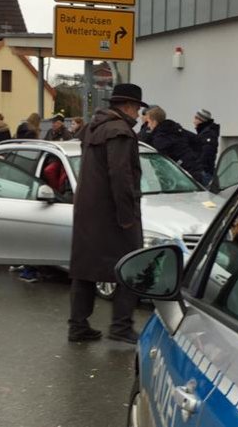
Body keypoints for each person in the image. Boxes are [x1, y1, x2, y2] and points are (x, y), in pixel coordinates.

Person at [69, 83, 147, 344]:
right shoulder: (119, 131)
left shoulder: (93, 128)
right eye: (137, 109)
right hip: (113, 214)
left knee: (85, 269)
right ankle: (121, 326)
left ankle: (78, 326)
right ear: (128, 107)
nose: (138, 116)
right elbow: (121, 176)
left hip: (87, 212)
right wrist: (128, 217)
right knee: (130, 266)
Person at [146, 106, 205, 183]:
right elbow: (197, 140)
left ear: (154, 122)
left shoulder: (160, 137)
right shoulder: (175, 128)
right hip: (194, 170)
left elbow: (161, 164)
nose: (148, 126)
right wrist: (194, 158)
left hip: (183, 176)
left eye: (148, 122)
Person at [193, 109, 220, 185]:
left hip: (204, 173)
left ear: (201, 120)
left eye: (196, 118)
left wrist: (198, 168)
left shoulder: (208, 134)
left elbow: (206, 155)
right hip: (204, 172)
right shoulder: (204, 132)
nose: (193, 121)